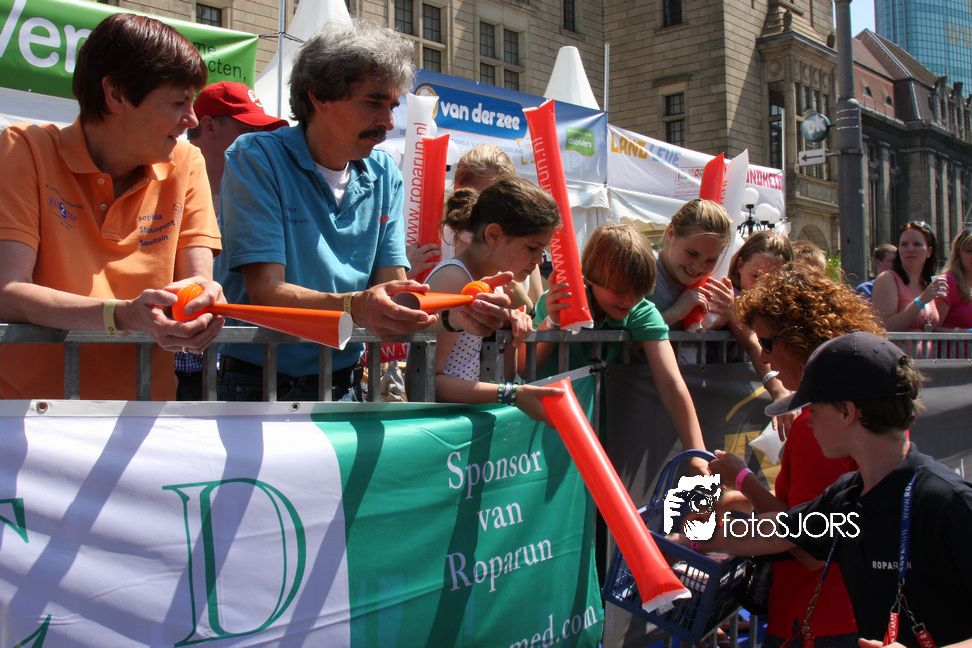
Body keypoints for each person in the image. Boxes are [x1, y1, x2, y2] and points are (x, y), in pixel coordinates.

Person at [217, 19, 513, 402]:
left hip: (345, 384)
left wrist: (457, 313)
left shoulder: (384, 172)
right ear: (319, 97)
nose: (388, 122)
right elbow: (267, 291)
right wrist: (356, 306)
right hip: (256, 385)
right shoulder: (257, 157)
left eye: (392, 106)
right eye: (374, 102)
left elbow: (397, 296)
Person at [677, 331, 972, 648]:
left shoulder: (949, 502)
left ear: (847, 412)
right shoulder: (847, 495)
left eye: (814, 408)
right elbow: (778, 530)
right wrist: (688, 540)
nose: (809, 421)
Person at [0, 13, 224, 401]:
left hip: (143, 416)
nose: (191, 119)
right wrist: (121, 315)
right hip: (30, 417)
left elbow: (196, 286)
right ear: (116, 94)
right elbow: (8, 290)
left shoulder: (188, 162)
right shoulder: (25, 148)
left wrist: (203, 304)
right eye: (178, 102)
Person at [711, 262, 885, 648]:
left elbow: (809, 547)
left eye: (768, 344)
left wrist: (740, 487)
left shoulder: (819, 426)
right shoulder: (868, 407)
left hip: (817, 620)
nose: (765, 359)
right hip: (853, 611)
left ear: (801, 340)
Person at [528, 222, 709, 472]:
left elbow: (671, 383)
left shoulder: (640, 310)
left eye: (638, 292)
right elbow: (526, 368)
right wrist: (552, 322)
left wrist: (697, 453)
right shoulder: (561, 299)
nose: (629, 300)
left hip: (599, 441)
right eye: (619, 291)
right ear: (590, 278)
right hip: (541, 438)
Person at [174, 81, 288, 401]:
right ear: (209, 126)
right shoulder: (164, 186)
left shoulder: (260, 197)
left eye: (264, 131)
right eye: (248, 130)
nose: (259, 141)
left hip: (234, 368)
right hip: (168, 364)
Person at [426, 177, 564, 424]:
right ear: (493, 235)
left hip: (465, 424)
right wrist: (511, 395)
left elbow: (505, 375)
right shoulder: (454, 278)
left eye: (542, 250)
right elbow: (427, 381)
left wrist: (512, 331)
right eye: (533, 247)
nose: (539, 261)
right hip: (441, 427)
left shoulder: (497, 283)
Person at [724, 230, 793, 418]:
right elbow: (754, 343)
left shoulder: (784, 307)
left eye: (771, 281)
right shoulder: (730, 297)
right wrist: (779, 392)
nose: (761, 288)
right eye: (755, 276)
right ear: (740, 265)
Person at [648, 199, 735, 331]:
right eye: (692, 253)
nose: (698, 268)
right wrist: (675, 313)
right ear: (671, 233)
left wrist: (723, 319)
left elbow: (697, 339)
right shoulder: (643, 269)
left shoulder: (713, 286)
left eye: (711, 260)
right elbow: (623, 338)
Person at [871, 221, 947, 332]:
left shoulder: (925, 284)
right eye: (904, 244)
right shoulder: (888, 279)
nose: (910, 249)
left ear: (929, 251)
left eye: (917, 244)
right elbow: (884, 327)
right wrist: (921, 300)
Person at [934, 227, 972, 332]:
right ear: (958, 255)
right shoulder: (947, 282)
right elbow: (932, 329)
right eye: (969, 251)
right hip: (953, 343)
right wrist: (966, 332)